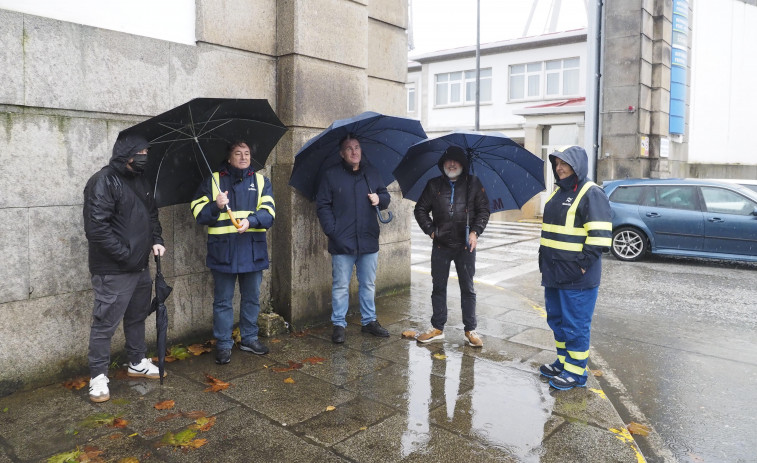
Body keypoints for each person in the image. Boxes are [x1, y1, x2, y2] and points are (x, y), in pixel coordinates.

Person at [83, 134, 167, 403]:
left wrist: (156, 240)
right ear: (126, 154)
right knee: (105, 323)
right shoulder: (103, 181)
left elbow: (152, 215)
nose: (144, 156)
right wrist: (127, 256)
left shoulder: (141, 181)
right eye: (139, 152)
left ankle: (137, 360)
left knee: (137, 316)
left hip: (139, 266)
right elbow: (97, 229)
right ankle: (97, 376)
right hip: (113, 269)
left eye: (146, 151)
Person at [190, 141, 275, 365]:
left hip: (252, 250)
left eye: (247, 153)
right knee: (223, 302)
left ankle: (249, 338)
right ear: (229, 158)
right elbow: (198, 212)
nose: (244, 157)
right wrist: (215, 206)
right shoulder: (214, 181)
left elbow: (269, 213)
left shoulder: (261, 181)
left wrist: (251, 220)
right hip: (223, 252)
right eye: (238, 153)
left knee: (251, 300)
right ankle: (224, 344)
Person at [537, 145, 612, 390]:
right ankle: (563, 362)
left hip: (576, 277)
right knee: (557, 320)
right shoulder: (558, 192)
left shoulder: (591, 193)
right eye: (556, 164)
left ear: (576, 166)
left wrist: (581, 267)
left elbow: (600, 237)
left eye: (564, 164)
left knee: (575, 324)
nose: (559, 168)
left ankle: (576, 372)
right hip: (553, 272)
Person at [316, 134, 392, 344]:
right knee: (340, 285)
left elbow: (385, 196)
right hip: (342, 241)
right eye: (349, 148)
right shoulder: (331, 175)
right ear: (342, 153)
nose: (354, 151)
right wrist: (333, 231)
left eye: (357, 147)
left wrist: (380, 199)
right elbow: (322, 205)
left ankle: (369, 322)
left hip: (368, 239)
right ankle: (339, 324)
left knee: (368, 283)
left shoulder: (371, 173)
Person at [413, 145, 490, 347]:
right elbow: (420, 209)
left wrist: (475, 232)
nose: (452, 164)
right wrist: (431, 231)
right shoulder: (433, 185)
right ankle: (437, 327)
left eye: (456, 161)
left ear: (463, 164)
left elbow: (483, 211)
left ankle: (470, 330)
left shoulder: (473, 184)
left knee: (468, 288)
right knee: (438, 286)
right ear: (443, 164)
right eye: (448, 161)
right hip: (441, 245)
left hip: (465, 246)